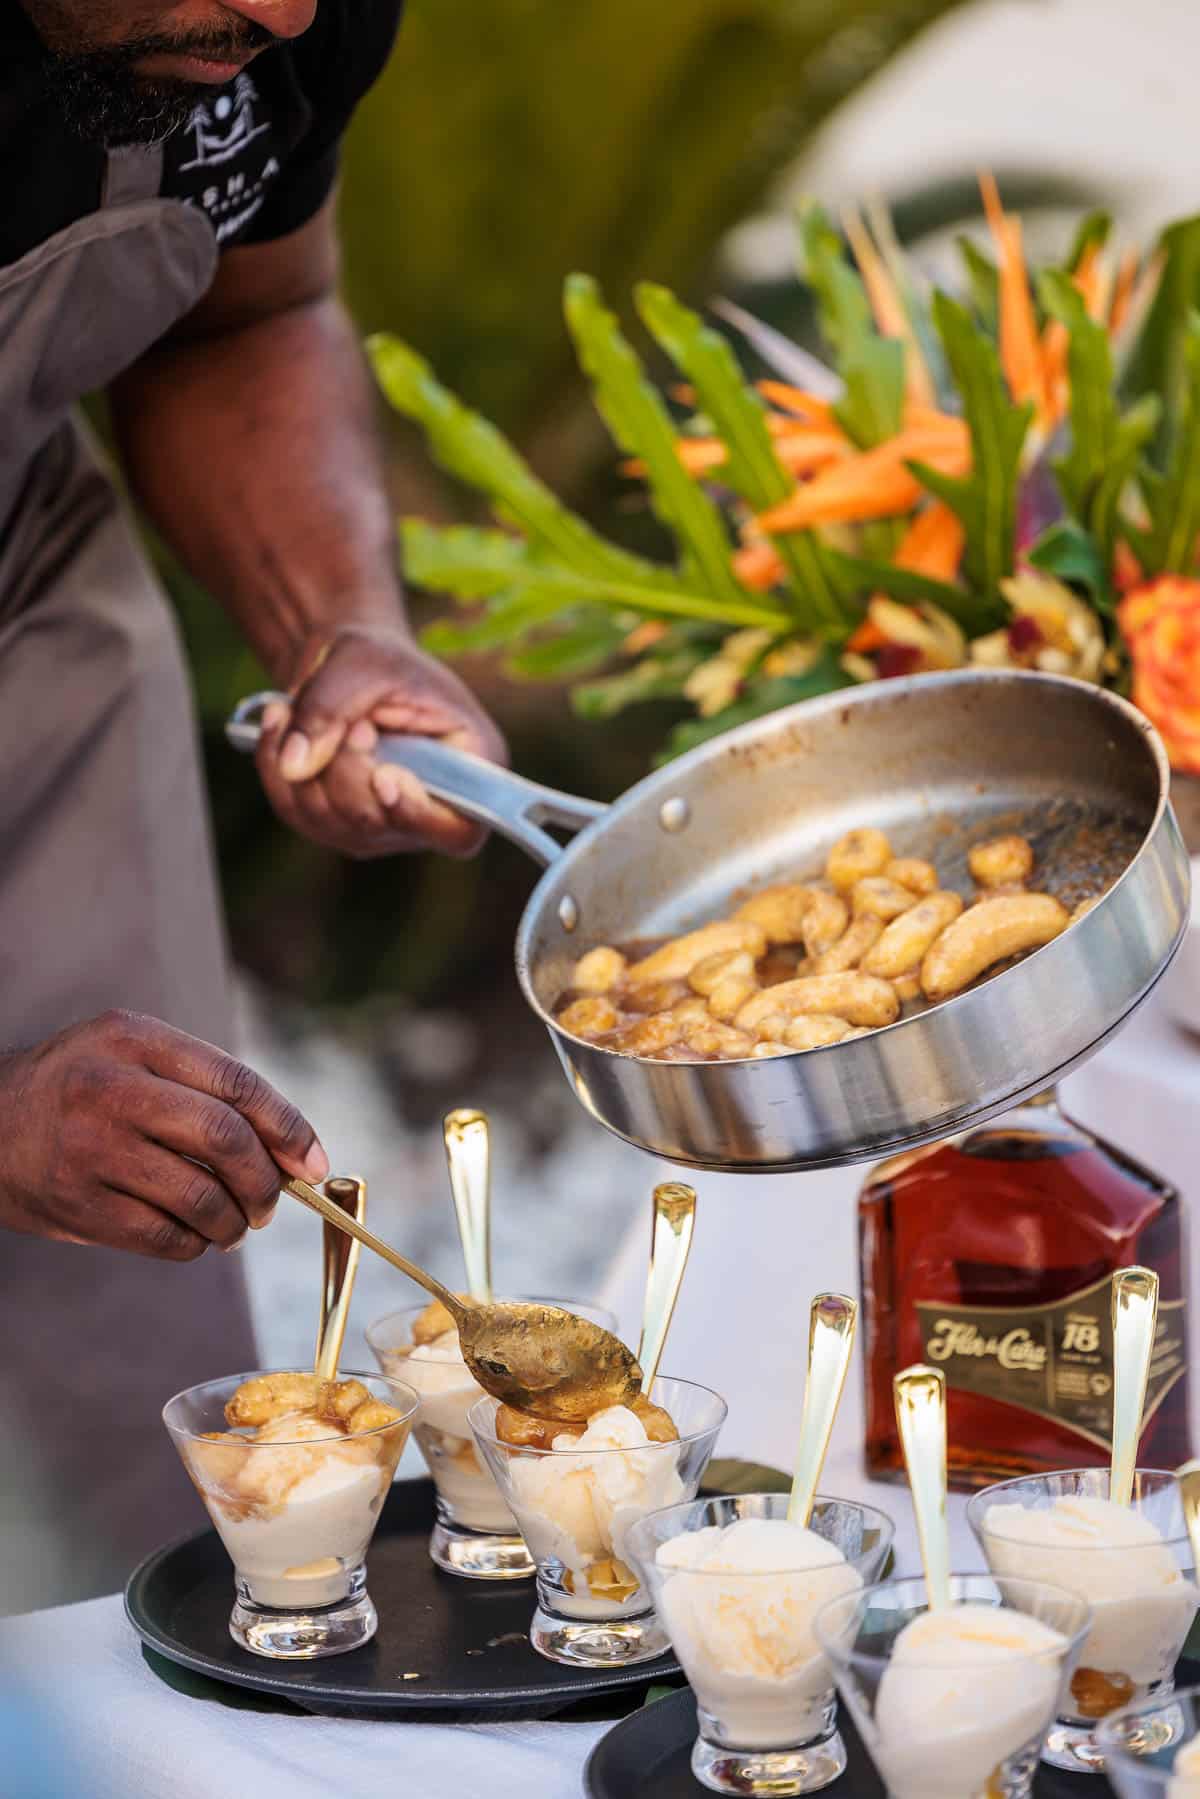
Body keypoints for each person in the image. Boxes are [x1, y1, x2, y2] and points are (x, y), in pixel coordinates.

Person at [0, 0, 506, 1609]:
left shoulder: (261, 13)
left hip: (33, 640)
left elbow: (242, 313)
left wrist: (335, 625)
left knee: (105, 1351)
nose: (286, 12)